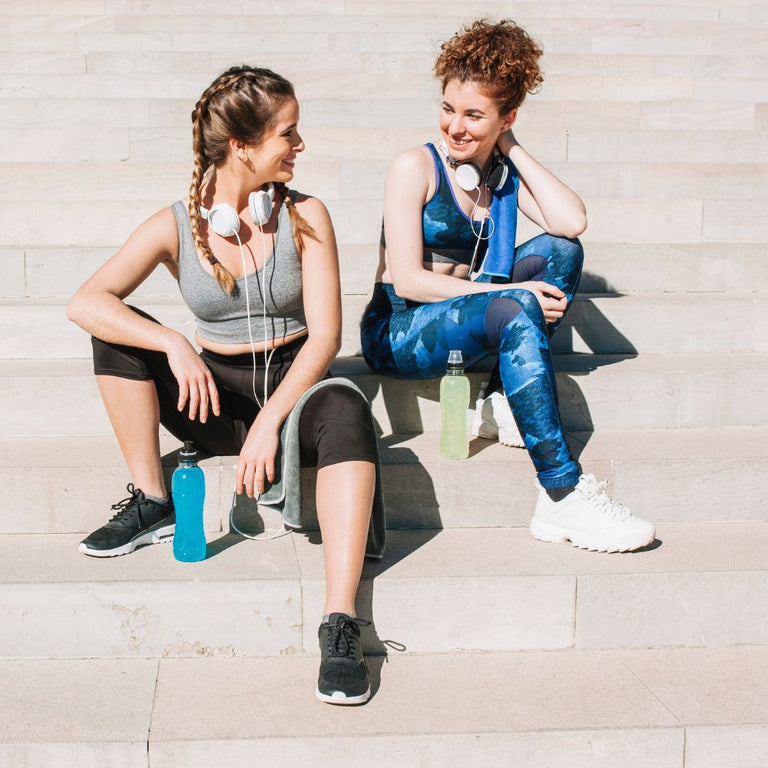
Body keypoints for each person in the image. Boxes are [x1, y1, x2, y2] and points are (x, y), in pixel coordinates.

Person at [68, 65, 380, 704]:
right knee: (117, 335)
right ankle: (153, 500)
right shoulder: (175, 224)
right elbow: (86, 301)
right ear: (243, 146)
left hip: (295, 392)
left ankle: (340, 620)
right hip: (212, 396)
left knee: (347, 408)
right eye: (288, 135)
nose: (300, 146)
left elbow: (325, 339)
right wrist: (172, 342)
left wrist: (270, 423)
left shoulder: (306, 215)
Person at [360, 19, 655, 553]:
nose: (455, 126)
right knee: (514, 300)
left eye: (475, 115)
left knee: (562, 253)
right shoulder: (415, 166)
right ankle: (562, 493)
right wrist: (502, 297)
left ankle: (499, 396)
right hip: (398, 329)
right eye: (449, 108)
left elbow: (571, 223)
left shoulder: (501, 173)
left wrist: (510, 148)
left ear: (506, 117)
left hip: (469, 317)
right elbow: (407, 278)